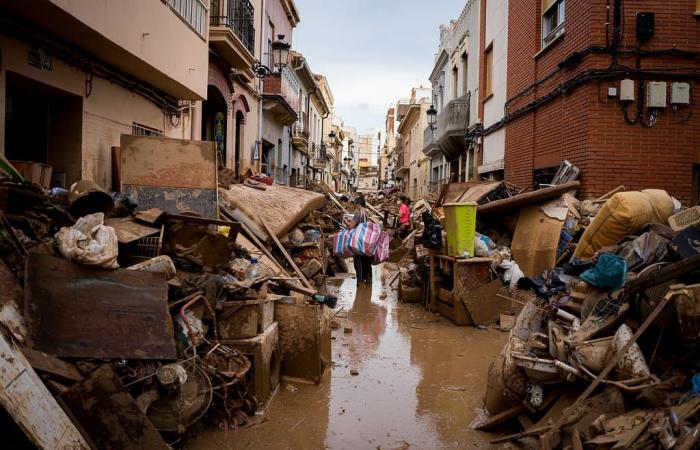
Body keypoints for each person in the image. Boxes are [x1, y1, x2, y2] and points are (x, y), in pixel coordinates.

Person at [344, 197, 373, 284]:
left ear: (359, 205)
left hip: (359, 242)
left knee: (358, 263)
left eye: (355, 205)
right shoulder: (368, 213)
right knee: (367, 263)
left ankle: (359, 283)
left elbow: (351, 226)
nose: (355, 207)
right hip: (367, 241)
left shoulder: (358, 214)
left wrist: (346, 221)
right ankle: (368, 282)